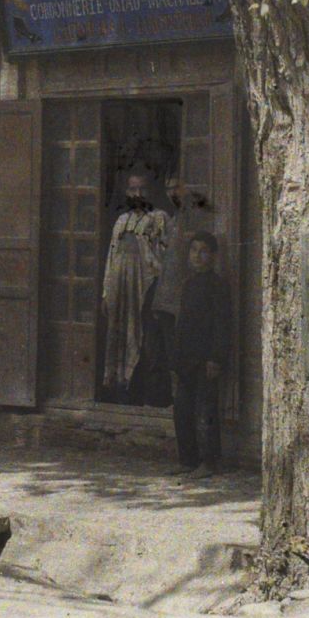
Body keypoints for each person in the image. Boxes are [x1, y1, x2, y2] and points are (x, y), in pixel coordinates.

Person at [143, 177, 215, 406]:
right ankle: (167, 400)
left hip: (182, 299)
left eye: (177, 187)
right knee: (162, 351)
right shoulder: (172, 220)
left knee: (180, 354)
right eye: (169, 188)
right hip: (166, 297)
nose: (173, 192)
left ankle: (182, 402)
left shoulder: (192, 220)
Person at [100, 168, 171, 401]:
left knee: (148, 343)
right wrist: (105, 293)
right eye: (133, 189)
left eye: (142, 189)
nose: (138, 194)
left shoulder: (159, 218)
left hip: (147, 290)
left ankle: (150, 398)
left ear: (150, 191)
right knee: (121, 338)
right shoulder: (121, 221)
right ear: (126, 192)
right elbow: (111, 258)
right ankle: (122, 393)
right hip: (121, 292)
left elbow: (165, 257)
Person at [172, 233, 231, 477]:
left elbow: (221, 325)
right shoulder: (188, 284)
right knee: (182, 409)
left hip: (206, 358)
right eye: (194, 250)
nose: (198, 256)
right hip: (186, 357)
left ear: (214, 256)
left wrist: (215, 358)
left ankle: (210, 461)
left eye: (204, 251)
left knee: (206, 410)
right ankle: (187, 459)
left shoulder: (218, 286)